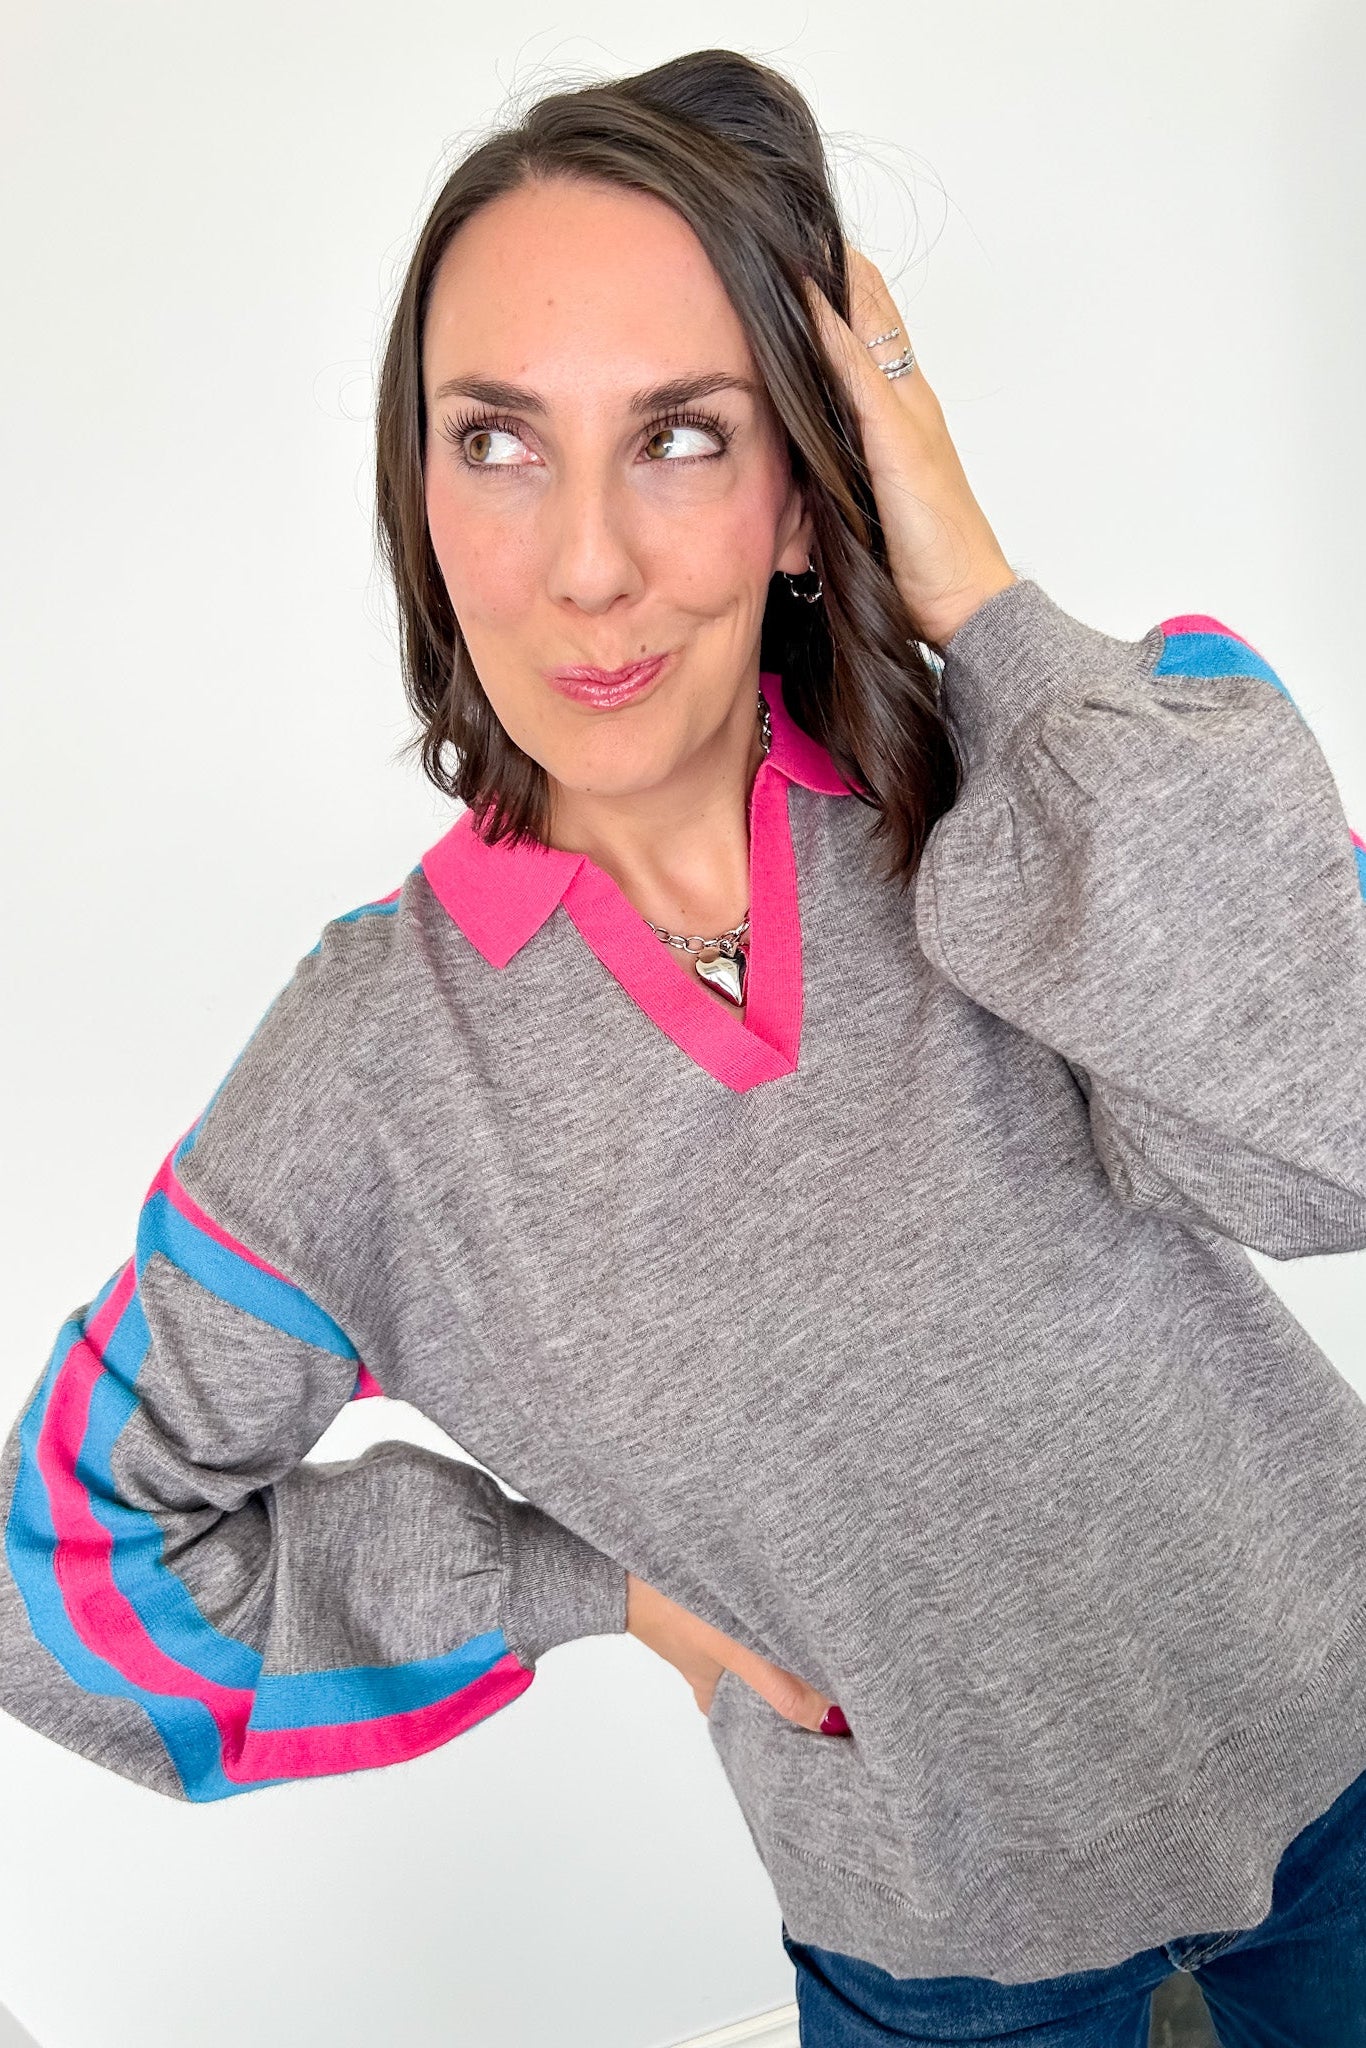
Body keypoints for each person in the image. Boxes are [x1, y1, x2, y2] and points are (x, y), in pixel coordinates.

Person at [4, 44, 1366, 2047]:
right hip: (942, 1966)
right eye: (495, 440)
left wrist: (977, 598)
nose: (586, 563)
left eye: (679, 437)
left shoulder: (1034, 782)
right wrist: (580, 1588)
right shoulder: (365, 1084)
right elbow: (65, 1589)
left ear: (803, 496)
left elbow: (1334, 1122)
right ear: (420, 505)